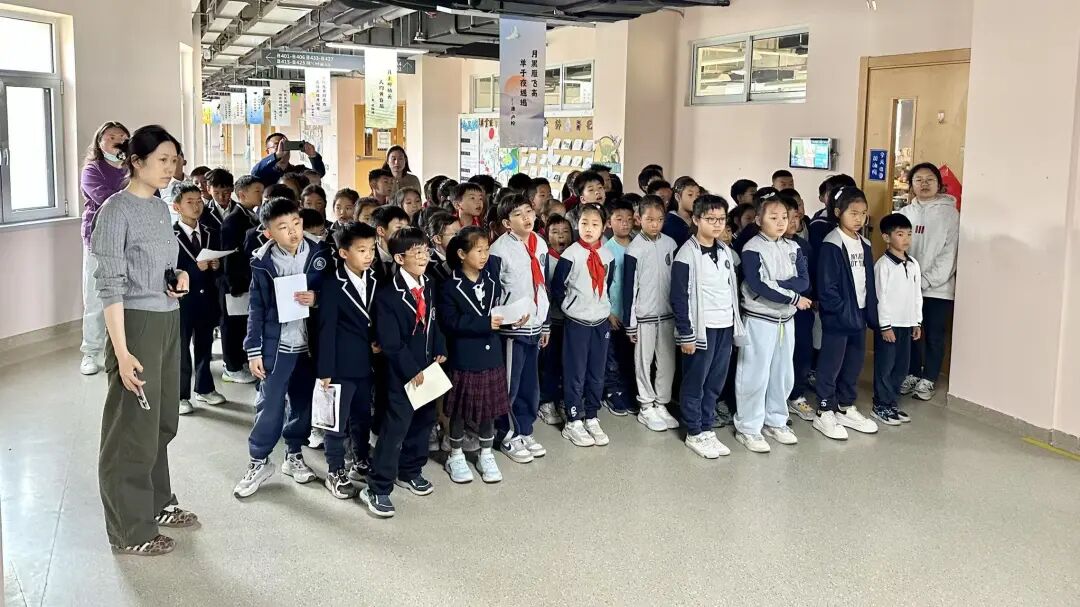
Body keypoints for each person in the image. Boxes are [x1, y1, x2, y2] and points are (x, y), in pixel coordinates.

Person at [92, 124, 195, 556]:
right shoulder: (115, 211)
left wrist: (178, 278)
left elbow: (160, 266)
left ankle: (157, 503)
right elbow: (110, 287)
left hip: (167, 319)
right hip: (134, 325)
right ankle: (130, 529)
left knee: (162, 421)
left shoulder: (158, 207)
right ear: (136, 162)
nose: (171, 169)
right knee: (132, 427)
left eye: (174, 161)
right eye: (162, 160)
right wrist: (121, 351)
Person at [233, 197, 332, 498]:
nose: (293, 232)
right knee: (270, 403)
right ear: (268, 233)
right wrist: (253, 349)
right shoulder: (263, 261)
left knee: (303, 403)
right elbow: (256, 308)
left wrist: (317, 298)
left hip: (310, 345)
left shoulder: (319, 252)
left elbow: (334, 291)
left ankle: (294, 454)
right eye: (283, 227)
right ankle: (259, 460)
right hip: (278, 346)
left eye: (297, 224)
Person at [360, 227, 448, 518]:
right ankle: (378, 486)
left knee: (424, 422)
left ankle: (410, 470)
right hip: (401, 374)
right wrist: (411, 370)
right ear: (399, 258)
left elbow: (433, 321)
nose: (424, 257)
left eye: (426, 251)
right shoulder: (388, 295)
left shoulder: (429, 283)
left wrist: (439, 346)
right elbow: (390, 342)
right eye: (416, 252)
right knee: (395, 429)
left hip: (427, 368)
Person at [733, 193, 809, 453]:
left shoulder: (793, 247)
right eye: (773, 217)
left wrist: (782, 287)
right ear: (758, 219)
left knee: (783, 373)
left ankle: (775, 420)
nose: (780, 222)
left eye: (784, 217)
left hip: (786, 319)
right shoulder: (752, 247)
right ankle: (748, 426)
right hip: (759, 319)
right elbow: (758, 285)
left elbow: (803, 281)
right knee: (754, 374)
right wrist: (792, 295)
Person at [670, 195, 744, 458]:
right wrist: (686, 334)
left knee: (715, 382)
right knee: (695, 381)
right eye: (710, 219)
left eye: (721, 219)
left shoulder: (725, 251)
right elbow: (679, 297)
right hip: (701, 328)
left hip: (725, 325)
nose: (717, 224)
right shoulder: (686, 254)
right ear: (696, 219)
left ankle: (707, 426)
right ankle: (694, 431)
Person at [438, 227, 510, 484]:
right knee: (459, 410)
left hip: (491, 356)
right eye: (479, 251)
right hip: (465, 357)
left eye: (487, 250)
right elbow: (450, 321)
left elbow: (497, 312)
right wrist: (484, 323)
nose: (484, 255)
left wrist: (511, 319)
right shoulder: (449, 286)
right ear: (461, 253)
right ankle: (456, 454)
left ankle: (486, 453)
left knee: (489, 409)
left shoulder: (491, 280)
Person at [317, 221, 379, 499]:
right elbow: (326, 329)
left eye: (372, 249)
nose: (369, 255)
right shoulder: (332, 284)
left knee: (362, 415)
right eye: (362, 250)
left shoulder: (375, 278)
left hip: (367, 362)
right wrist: (325, 369)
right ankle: (335, 470)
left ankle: (361, 459)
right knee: (336, 420)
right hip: (340, 365)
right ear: (343, 253)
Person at [813, 186, 880, 440]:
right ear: (838, 212)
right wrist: (840, 310)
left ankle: (845, 405)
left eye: (863, 213)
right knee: (831, 364)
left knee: (854, 362)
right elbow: (827, 286)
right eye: (853, 213)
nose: (859, 218)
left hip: (859, 312)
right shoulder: (832, 243)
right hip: (839, 315)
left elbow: (868, 280)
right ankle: (824, 409)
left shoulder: (864, 243)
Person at [488, 194, 550, 463]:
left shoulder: (540, 243)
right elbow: (493, 293)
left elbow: (543, 285)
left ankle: (524, 429)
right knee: (510, 385)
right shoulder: (499, 250)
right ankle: (507, 434)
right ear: (506, 223)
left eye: (528, 211)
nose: (526, 218)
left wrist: (546, 323)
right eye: (518, 214)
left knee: (529, 384)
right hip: (512, 328)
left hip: (535, 323)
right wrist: (505, 319)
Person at [552, 203, 614, 448]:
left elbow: (608, 283)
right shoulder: (570, 255)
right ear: (577, 224)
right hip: (577, 322)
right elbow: (557, 287)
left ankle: (591, 415)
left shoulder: (607, 255)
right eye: (584, 223)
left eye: (595, 224)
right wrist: (570, 306)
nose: (589, 229)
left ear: (604, 227)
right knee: (575, 372)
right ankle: (573, 419)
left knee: (596, 373)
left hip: (600, 321)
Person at [898, 162, 960, 402]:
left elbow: (949, 253)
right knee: (911, 332)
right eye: (918, 180)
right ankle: (912, 373)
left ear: (939, 184)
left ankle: (929, 378)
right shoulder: (905, 213)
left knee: (934, 334)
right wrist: (907, 280)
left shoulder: (950, 214)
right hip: (908, 286)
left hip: (938, 289)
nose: (924, 184)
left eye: (929, 179)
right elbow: (897, 249)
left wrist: (925, 280)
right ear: (911, 185)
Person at [623, 196, 680, 432]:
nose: (655, 224)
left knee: (667, 362)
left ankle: (661, 403)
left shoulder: (671, 244)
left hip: (667, 315)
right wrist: (630, 322)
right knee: (643, 362)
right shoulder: (634, 248)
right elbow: (629, 288)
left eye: (659, 220)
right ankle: (646, 406)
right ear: (639, 219)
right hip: (643, 317)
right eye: (649, 220)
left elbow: (677, 282)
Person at [79, 120, 130, 376]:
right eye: (112, 137)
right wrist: (133, 197)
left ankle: (122, 349)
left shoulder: (134, 168)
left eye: (122, 137)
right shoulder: (92, 169)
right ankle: (90, 351)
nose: (118, 140)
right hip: (98, 239)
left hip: (129, 240)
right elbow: (105, 200)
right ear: (100, 142)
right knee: (96, 298)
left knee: (128, 296)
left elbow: (151, 196)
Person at [172, 183, 225, 416]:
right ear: (177, 206)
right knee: (182, 349)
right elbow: (169, 270)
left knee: (204, 346)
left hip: (206, 298)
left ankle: (204, 388)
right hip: (183, 301)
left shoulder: (211, 231)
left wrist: (216, 265)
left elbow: (217, 266)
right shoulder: (170, 235)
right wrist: (195, 269)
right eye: (189, 202)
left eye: (199, 201)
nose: (196, 206)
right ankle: (180, 395)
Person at [873, 213, 923, 426]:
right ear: (886, 237)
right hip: (890, 326)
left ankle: (891, 402)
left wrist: (917, 321)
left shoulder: (913, 264)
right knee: (886, 367)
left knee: (902, 367)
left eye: (909, 234)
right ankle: (880, 405)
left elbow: (917, 295)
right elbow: (880, 298)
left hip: (906, 324)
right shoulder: (883, 265)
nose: (906, 239)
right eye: (900, 234)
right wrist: (885, 326)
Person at [218, 175, 263, 385]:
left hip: (246, 280)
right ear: (242, 195)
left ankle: (241, 361)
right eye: (257, 191)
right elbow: (230, 255)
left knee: (243, 323)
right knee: (232, 326)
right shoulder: (233, 220)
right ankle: (232, 366)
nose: (261, 195)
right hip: (235, 283)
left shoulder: (254, 216)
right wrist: (234, 283)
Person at [781, 194, 817, 422]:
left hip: (803, 308)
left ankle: (796, 395)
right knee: (779, 356)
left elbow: (811, 276)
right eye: (787, 217)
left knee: (802, 351)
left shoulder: (803, 245)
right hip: (778, 307)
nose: (793, 222)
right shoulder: (766, 245)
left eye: (796, 217)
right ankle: (776, 399)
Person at [601, 198, 637, 415]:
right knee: (612, 357)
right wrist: (609, 312)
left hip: (634, 314)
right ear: (609, 222)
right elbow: (603, 286)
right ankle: (612, 392)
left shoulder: (638, 245)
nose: (624, 223)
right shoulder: (607, 250)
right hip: (614, 313)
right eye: (619, 219)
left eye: (629, 219)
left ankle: (628, 391)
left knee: (629, 356)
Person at [538, 214, 572, 426]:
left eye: (565, 232)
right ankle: (546, 401)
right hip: (551, 322)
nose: (561, 236)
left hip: (570, 321)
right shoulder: (545, 259)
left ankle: (562, 399)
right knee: (549, 363)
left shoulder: (574, 256)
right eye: (555, 232)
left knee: (566, 364)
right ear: (546, 235)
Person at [251, 132, 326, 186]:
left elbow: (318, 175)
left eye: (285, 145)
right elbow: (255, 173)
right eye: (277, 146)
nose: (282, 149)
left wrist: (313, 156)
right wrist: (276, 156)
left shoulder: (298, 171)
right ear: (268, 151)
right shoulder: (265, 172)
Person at [372, 205, 411, 282]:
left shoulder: (409, 255)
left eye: (406, 228)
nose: (405, 233)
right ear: (381, 231)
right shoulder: (368, 257)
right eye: (399, 228)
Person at [425, 211, 461, 285]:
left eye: (461, 233)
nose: (461, 238)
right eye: (455, 234)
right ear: (437, 239)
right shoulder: (427, 266)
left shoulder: (464, 256)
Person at [661, 178, 699, 247]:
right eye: (690, 195)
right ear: (677, 197)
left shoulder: (699, 220)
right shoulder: (668, 222)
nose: (695, 199)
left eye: (697, 195)